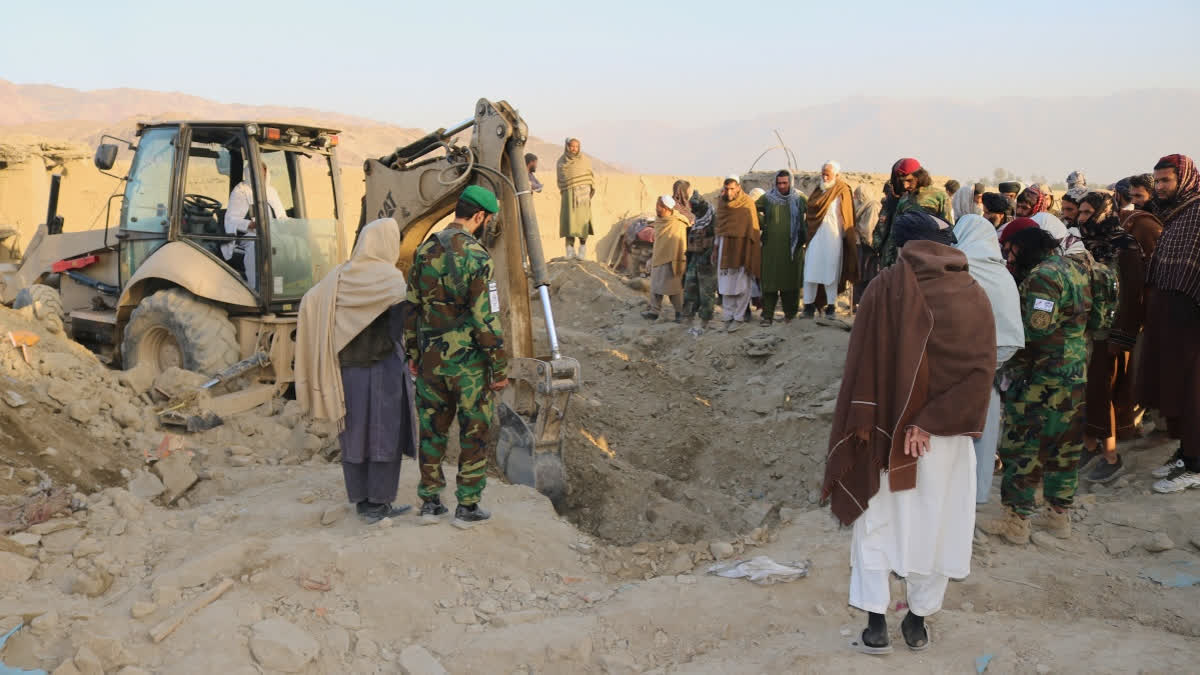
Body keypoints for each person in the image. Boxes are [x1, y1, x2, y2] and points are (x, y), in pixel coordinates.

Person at [822, 210, 994, 655]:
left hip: (887, 436)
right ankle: (916, 622)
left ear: (902, 246)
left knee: (878, 525)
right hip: (947, 439)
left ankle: (876, 626)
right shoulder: (973, 292)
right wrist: (932, 422)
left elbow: (863, 366)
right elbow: (980, 373)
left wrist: (907, 423)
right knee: (938, 526)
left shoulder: (885, 287)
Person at [296, 218, 416, 523]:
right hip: (384, 368)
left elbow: (310, 301)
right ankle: (379, 503)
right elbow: (403, 324)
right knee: (383, 434)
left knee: (354, 433)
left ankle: (361, 499)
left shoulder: (339, 276)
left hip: (347, 372)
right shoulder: (390, 279)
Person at [981, 217, 1093, 544]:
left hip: (1040, 374)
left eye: (1012, 250)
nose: (1009, 256)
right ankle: (1058, 515)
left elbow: (1038, 328)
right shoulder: (1074, 267)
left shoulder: (1042, 277)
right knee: (1065, 442)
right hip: (1073, 368)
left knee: (1022, 444)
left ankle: (1016, 521)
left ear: (1027, 247)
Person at [405, 185, 509, 527]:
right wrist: (499, 366)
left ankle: (431, 503)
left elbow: (412, 308)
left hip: (432, 360)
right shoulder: (479, 258)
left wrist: (414, 354)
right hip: (470, 367)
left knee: (432, 430)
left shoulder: (425, 250)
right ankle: (467, 506)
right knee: (473, 431)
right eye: (487, 219)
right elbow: (485, 319)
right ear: (480, 216)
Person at [1077, 190, 1161, 483]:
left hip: (1111, 332)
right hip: (1084, 329)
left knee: (1103, 392)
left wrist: (1123, 336)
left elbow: (1133, 293)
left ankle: (1111, 455)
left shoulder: (1124, 245)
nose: (1081, 218)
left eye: (1088, 212)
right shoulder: (1083, 243)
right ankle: (1089, 444)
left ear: (1104, 212)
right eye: (1081, 212)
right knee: (1087, 390)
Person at [1139, 154, 1200, 494]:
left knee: (1193, 391)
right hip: (1170, 317)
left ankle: (1196, 465)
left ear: (1185, 179)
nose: (1159, 187)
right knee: (1175, 386)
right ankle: (1186, 452)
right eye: (1157, 181)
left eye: (1166, 181)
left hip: (1191, 318)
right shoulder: (1175, 213)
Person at [953, 214, 1024, 503]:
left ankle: (953, 500)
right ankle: (977, 496)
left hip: (953, 373)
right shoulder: (1003, 275)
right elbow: (1013, 334)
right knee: (984, 434)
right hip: (990, 370)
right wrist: (990, 363)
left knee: (953, 440)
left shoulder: (956, 271)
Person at [874, 158, 952, 267]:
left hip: (930, 259)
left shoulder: (939, 197)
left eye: (909, 181)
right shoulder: (904, 200)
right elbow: (894, 232)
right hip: (905, 258)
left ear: (919, 177)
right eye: (903, 182)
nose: (905, 185)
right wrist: (888, 261)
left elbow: (947, 230)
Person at [804, 161, 857, 318]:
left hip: (833, 238)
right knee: (810, 270)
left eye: (828, 174)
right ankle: (808, 306)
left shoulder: (842, 190)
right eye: (823, 173)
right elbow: (810, 210)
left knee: (831, 271)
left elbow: (847, 216)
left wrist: (848, 239)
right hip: (815, 236)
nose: (824, 176)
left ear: (837, 175)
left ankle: (831, 305)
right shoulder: (818, 190)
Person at [225, 160, 285, 290]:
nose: (260, 177)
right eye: (256, 174)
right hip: (249, 235)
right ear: (249, 173)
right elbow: (231, 219)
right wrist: (250, 224)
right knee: (256, 245)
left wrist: (289, 223)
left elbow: (281, 216)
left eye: (262, 175)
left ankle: (278, 290)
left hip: (272, 234)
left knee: (289, 245)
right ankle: (256, 289)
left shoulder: (271, 191)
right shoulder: (241, 190)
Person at [755, 170, 806, 325]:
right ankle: (767, 316)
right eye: (779, 183)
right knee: (770, 283)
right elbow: (752, 210)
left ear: (790, 182)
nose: (782, 186)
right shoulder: (768, 198)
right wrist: (765, 224)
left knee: (791, 283)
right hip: (771, 249)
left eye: (785, 183)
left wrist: (804, 231)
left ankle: (790, 315)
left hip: (792, 249)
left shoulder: (800, 198)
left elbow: (814, 213)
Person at [713, 176, 761, 332]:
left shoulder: (747, 203)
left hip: (742, 248)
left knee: (741, 284)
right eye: (726, 188)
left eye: (732, 188)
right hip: (724, 248)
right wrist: (715, 248)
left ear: (738, 187)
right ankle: (727, 317)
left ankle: (739, 317)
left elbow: (752, 228)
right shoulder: (721, 203)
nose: (729, 192)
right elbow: (719, 228)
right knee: (725, 284)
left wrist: (750, 250)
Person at [642, 195, 689, 322]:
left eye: (658, 206)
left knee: (674, 289)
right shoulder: (660, 220)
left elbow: (679, 243)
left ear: (665, 208)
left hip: (673, 259)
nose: (656, 208)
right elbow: (659, 240)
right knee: (655, 286)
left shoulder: (677, 222)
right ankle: (654, 311)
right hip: (658, 256)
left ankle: (680, 313)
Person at [682, 192, 718, 334]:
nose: (694, 212)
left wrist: (708, 253)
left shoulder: (713, 219)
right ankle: (688, 317)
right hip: (695, 259)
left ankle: (705, 321)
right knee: (690, 288)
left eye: (696, 208)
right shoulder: (698, 219)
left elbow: (716, 241)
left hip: (708, 261)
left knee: (706, 292)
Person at [557, 138, 595, 259]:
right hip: (568, 196)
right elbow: (560, 179)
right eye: (572, 146)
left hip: (582, 197)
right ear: (567, 147)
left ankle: (582, 250)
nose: (574, 149)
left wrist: (588, 190)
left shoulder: (585, 161)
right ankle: (569, 250)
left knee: (582, 222)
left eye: (576, 147)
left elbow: (590, 177)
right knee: (569, 223)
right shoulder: (561, 162)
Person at [852, 184, 882, 311]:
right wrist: (874, 244)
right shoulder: (872, 205)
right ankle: (863, 303)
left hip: (858, 243)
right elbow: (869, 228)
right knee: (867, 273)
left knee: (861, 273)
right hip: (867, 245)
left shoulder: (863, 206)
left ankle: (857, 302)